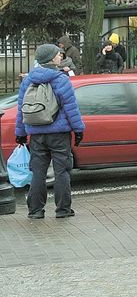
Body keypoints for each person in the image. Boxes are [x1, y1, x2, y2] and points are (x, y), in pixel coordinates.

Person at [14, 44, 86, 219]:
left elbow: (21, 109)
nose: (60, 56)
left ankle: (35, 211)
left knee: (38, 172)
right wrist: (78, 130)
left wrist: (20, 132)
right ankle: (63, 210)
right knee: (61, 171)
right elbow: (71, 108)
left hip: (36, 134)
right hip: (59, 134)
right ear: (51, 59)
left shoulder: (28, 80)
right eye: (58, 55)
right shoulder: (60, 79)